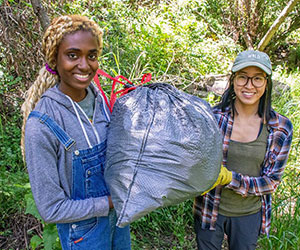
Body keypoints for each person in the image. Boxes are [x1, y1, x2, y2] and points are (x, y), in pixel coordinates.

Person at [21, 15, 131, 250]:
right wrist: (111, 202)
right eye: (73, 55)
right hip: (84, 236)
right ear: (55, 59)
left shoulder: (101, 100)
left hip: (120, 224)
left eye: (91, 55)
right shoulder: (42, 125)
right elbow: (51, 209)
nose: (84, 65)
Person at [193, 50, 293, 250]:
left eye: (257, 78)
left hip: (249, 214)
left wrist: (230, 178)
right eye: (242, 77)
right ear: (233, 80)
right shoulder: (211, 118)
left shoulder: (280, 127)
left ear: (266, 83)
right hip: (209, 208)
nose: (249, 86)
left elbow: (271, 182)